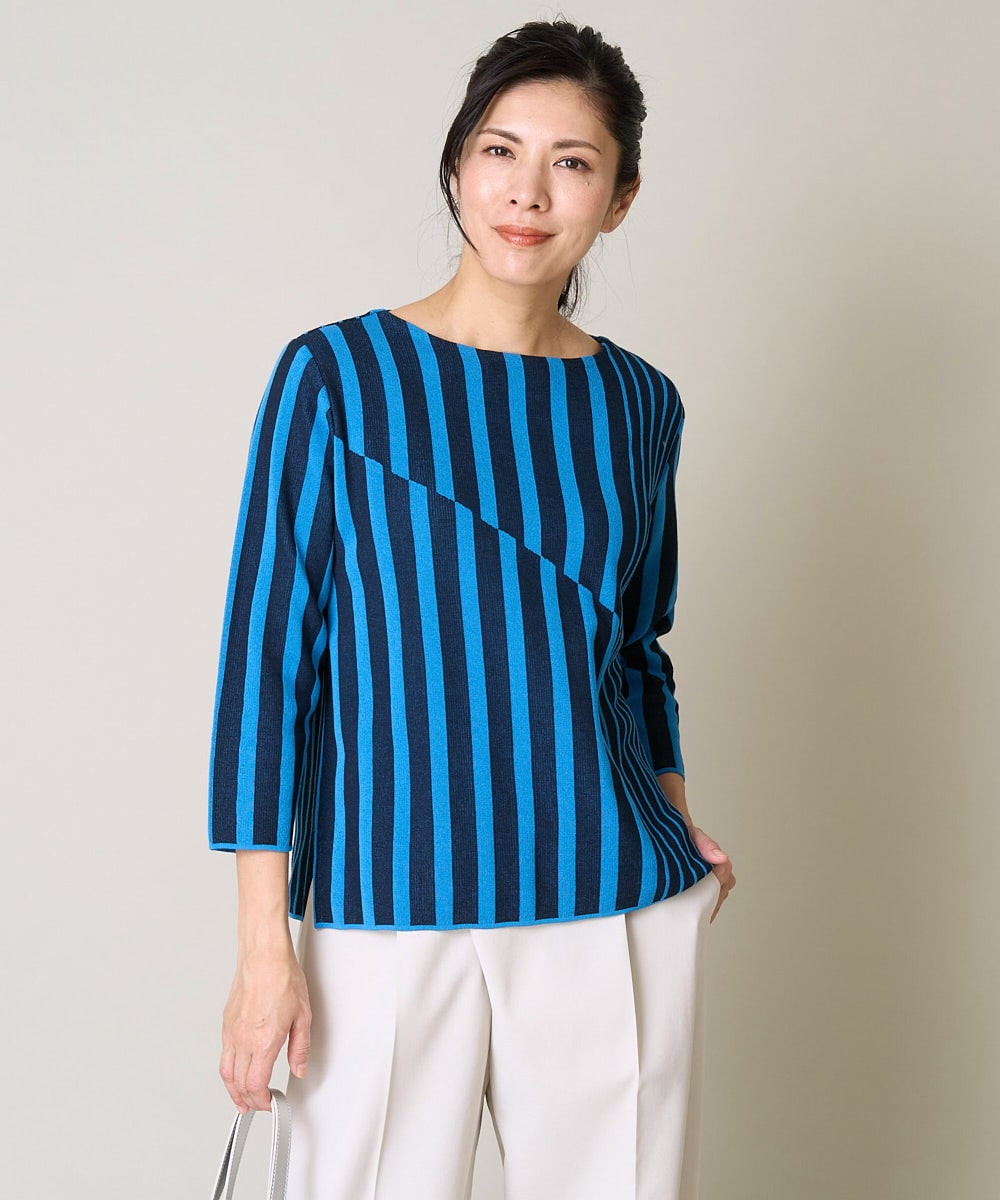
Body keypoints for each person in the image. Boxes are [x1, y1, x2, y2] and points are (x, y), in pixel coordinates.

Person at [207, 18, 735, 1200]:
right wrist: (263, 950)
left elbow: (635, 645)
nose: (527, 193)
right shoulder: (335, 379)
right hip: (391, 896)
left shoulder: (639, 403)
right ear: (455, 166)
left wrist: (674, 809)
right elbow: (266, 665)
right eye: (500, 151)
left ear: (619, 197)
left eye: (572, 162)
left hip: (610, 896)